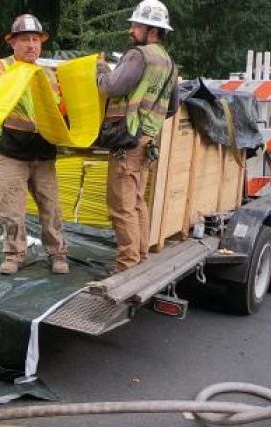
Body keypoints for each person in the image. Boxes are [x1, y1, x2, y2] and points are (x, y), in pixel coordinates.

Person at [97, 0, 179, 272]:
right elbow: (173, 107)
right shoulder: (169, 63)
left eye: (136, 25)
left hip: (127, 141)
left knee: (121, 205)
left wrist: (99, 70)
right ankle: (140, 255)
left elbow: (111, 86)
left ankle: (126, 264)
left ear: (152, 30)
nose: (131, 30)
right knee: (136, 202)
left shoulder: (139, 55)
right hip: (147, 142)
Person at [0, 14, 70, 275]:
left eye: (36, 39)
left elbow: (62, 108)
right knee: (11, 208)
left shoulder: (50, 73)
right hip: (11, 151)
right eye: (25, 39)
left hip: (43, 153)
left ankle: (58, 254)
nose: (31, 45)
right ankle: (13, 254)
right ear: (12, 42)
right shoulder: (2, 68)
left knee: (51, 208)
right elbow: (2, 97)